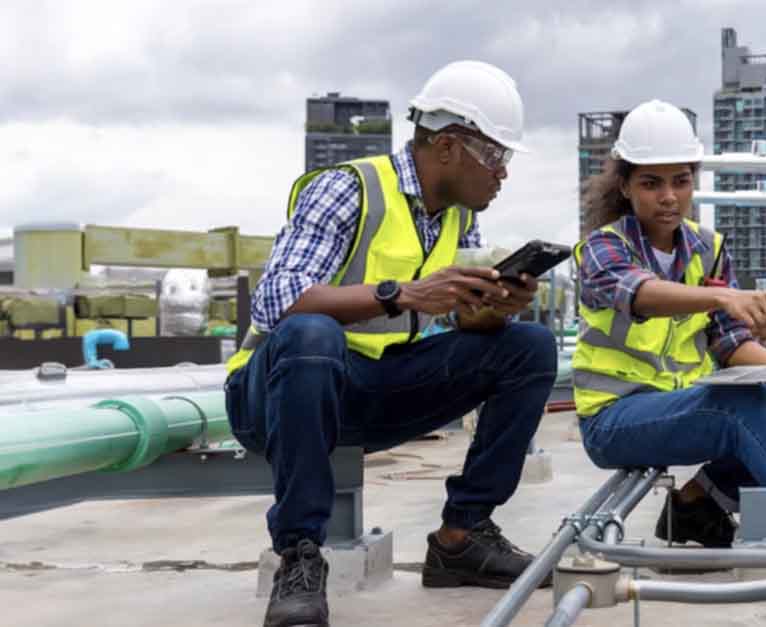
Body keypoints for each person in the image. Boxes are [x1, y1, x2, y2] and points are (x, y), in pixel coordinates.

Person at [224, 60, 557, 627]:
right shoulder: (347, 189)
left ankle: (462, 537)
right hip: (279, 395)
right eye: (497, 155)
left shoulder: (456, 219)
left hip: (372, 389)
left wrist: (490, 311)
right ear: (449, 146)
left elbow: (450, 326)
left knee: (528, 346)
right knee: (310, 333)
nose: (502, 174)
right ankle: (300, 554)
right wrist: (399, 293)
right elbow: (275, 303)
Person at [573, 99, 766, 549]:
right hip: (614, 417)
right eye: (652, 183)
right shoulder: (603, 248)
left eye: (681, 181)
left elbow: (729, 341)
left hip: (679, 405)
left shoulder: (706, 248)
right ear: (625, 187)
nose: (669, 196)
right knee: (735, 409)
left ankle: (697, 504)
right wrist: (723, 296)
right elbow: (640, 294)